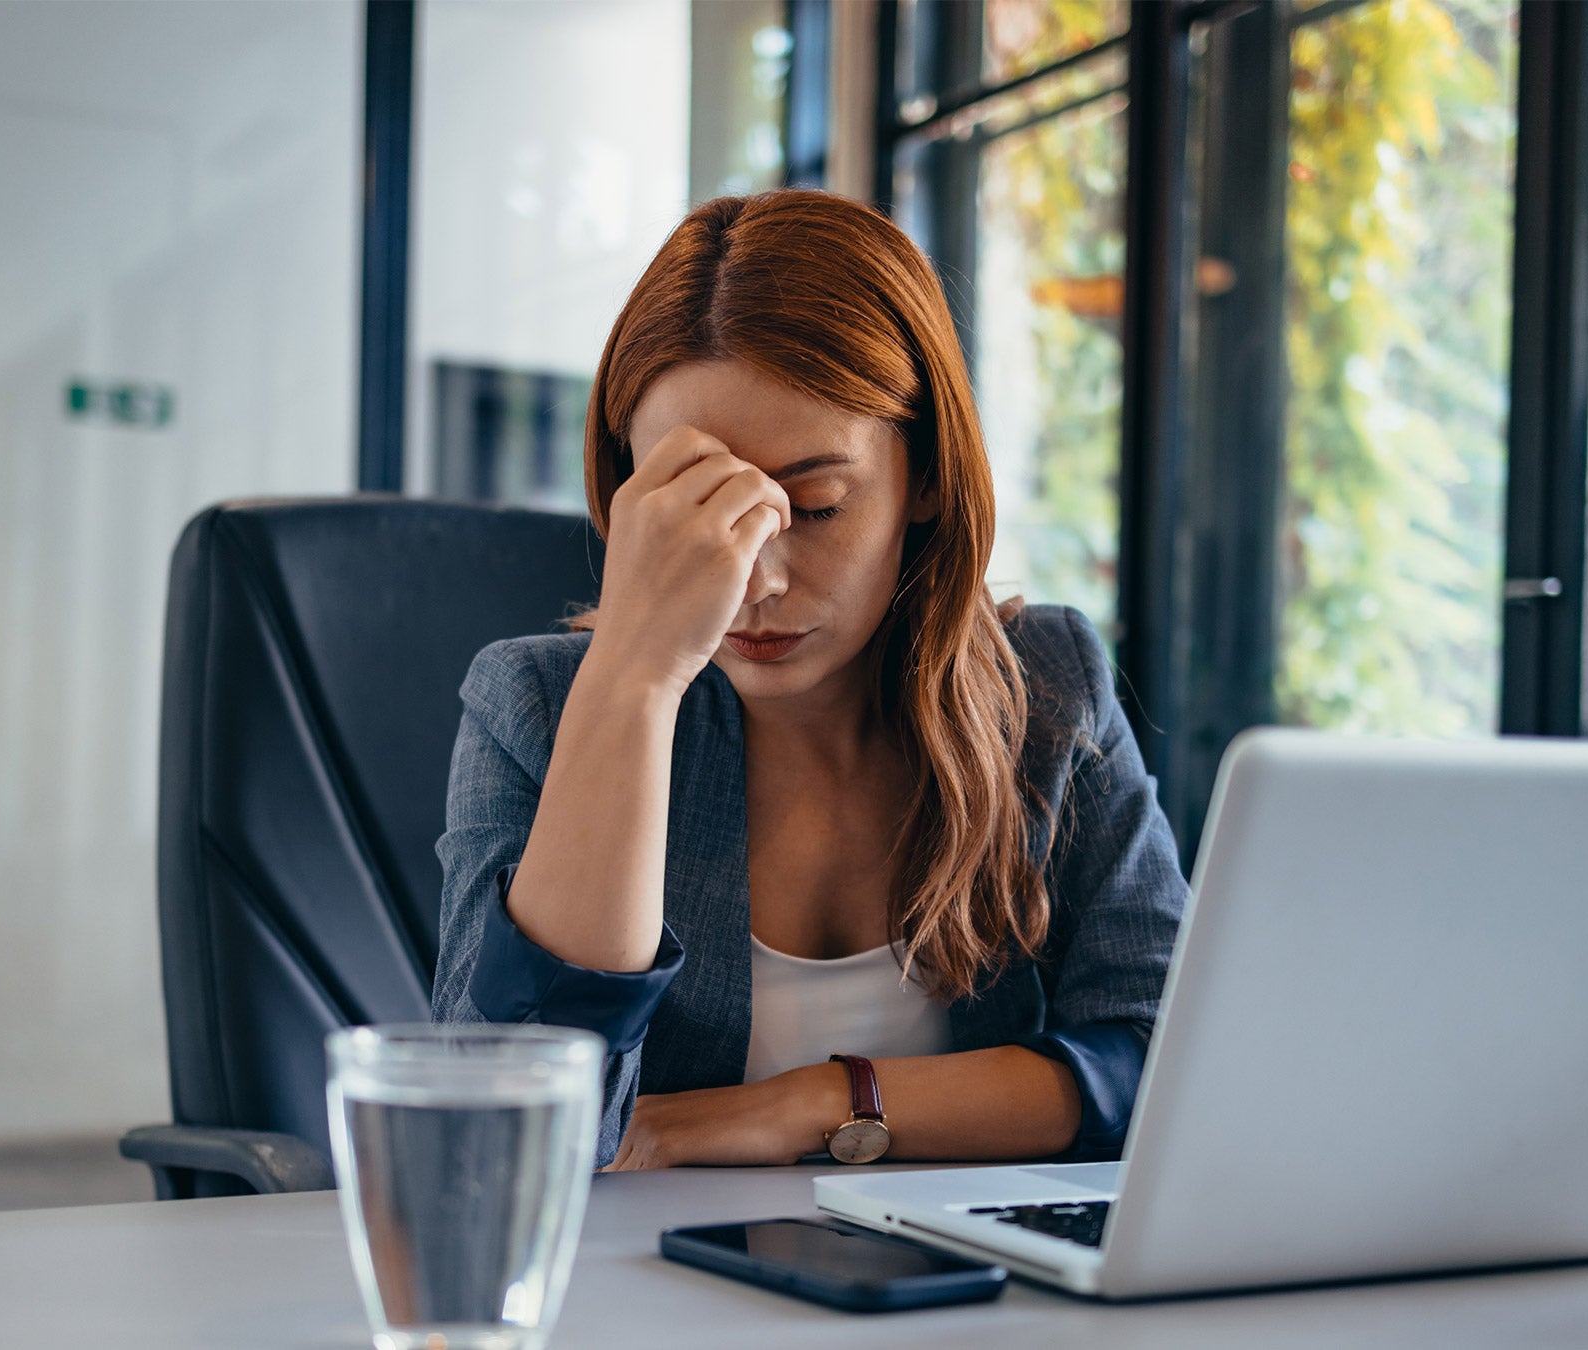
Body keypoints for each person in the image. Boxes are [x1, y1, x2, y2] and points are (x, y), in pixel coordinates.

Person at [431, 188, 1186, 1172]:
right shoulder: (536, 705)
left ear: (925, 479)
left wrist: (817, 1103)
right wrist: (635, 682)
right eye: (699, 507)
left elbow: (1164, 1059)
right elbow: (496, 1130)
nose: (758, 580)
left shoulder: (1050, 686)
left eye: (816, 507)